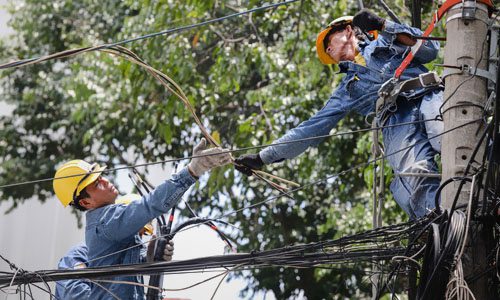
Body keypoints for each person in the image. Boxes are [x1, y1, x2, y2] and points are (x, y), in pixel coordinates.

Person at [235, 9, 444, 219]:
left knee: (454, 137)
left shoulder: (386, 42)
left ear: (347, 30)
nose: (328, 50)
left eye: (328, 43)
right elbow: (310, 129)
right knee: (414, 174)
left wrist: (383, 25)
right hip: (397, 123)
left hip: (429, 95)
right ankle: (443, 226)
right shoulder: (347, 89)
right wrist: (263, 157)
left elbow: (430, 49)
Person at [52, 138, 231, 299]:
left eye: (101, 177)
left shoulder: (116, 237)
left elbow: (131, 262)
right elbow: (149, 205)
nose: (106, 181)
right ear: (85, 202)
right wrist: (192, 171)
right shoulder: (106, 222)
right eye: (97, 183)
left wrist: (151, 254)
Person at [54, 196, 174, 300]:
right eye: (135, 234)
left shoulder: (129, 262)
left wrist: (152, 259)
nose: (138, 241)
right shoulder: (79, 254)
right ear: (116, 228)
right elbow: (74, 294)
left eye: (141, 235)